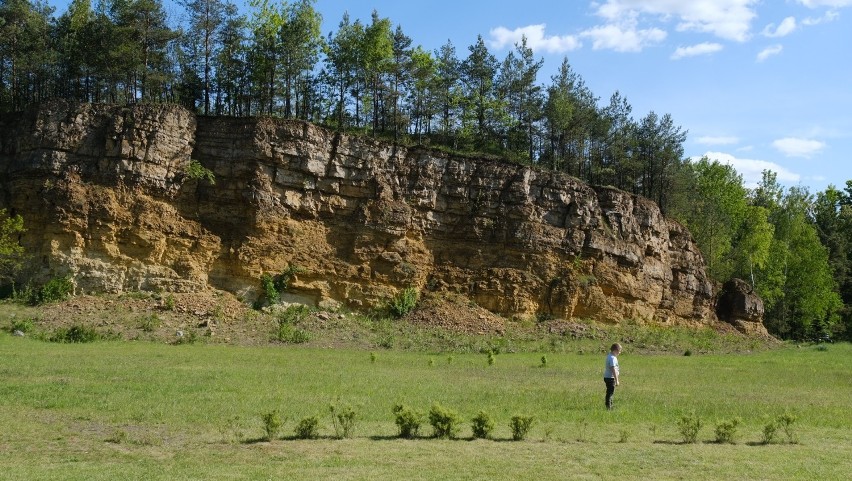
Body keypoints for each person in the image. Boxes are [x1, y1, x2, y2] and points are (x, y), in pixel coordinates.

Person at [603, 343, 622, 410]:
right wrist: (617, 380)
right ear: (615, 350)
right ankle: (609, 407)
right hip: (610, 378)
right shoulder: (612, 358)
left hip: (607, 377)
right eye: (619, 351)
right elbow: (613, 369)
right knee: (610, 392)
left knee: (610, 392)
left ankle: (610, 405)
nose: (620, 352)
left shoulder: (609, 356)